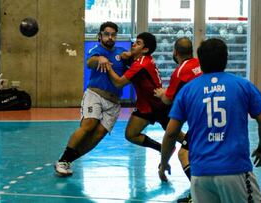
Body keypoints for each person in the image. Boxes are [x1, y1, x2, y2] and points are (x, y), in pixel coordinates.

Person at [158, 38, 261, 203]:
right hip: (235, 170)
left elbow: (171, 133)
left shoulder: (188, 91)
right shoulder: (242, 85)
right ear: (226, 59)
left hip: (200, 174)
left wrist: (163, 163)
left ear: (200, 61)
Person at [54, 21, 128, 176]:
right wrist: (99, 59)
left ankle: (67, 159)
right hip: (95, 95)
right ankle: (63, 160)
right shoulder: (96, 50)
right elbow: (90, 62)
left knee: (98, 135)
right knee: (89, 124)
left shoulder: (121, 52)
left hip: (114, 102)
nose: (110, 37)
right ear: (100, 36)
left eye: (113, 35)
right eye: (106, 34)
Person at [106, 32, 184, 154]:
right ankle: (163, 148)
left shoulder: (141, 64)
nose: (133, 45)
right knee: (130, 134)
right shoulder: (142, 59)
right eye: (134, 42)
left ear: (145, 49)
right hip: (145, 106)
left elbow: (119, 83)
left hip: (160, 106)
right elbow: (131, 59)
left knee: (178, 136)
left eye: (138, 43)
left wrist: (107, 66)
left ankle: (199, 150)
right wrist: (130, 54)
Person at [154, 37, 202, 203]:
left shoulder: (180, 72)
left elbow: (169, 99)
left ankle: (199, 195)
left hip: (201, 120)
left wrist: (162, 94)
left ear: (175, 52)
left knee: (184, 154)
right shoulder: (199, 63)